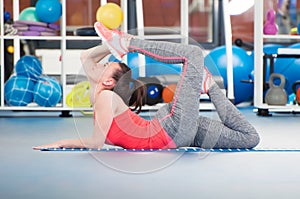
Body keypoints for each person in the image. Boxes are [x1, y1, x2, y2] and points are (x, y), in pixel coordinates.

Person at [33, 22, 260, 150]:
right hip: (178, 131)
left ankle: (128, 43)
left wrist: (61, 142)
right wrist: (113, 49)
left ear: (109, 81)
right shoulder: (105, 96)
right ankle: (208, 85)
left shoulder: (105, 97)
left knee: (193, 54)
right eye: (105, 63)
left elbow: (95, 144)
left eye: (106, 63)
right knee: (250, 138)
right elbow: (86, 57)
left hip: (173, 127)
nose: (100, 63)